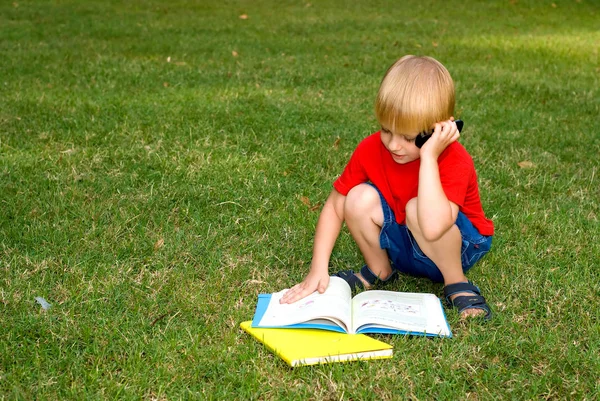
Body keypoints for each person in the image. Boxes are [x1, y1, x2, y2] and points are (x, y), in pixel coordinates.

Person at [280, 55, 494, 319]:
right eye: (386, 130)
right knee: (356, 197)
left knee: (418, 208)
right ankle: (380, 269)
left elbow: (433, 225)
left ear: (439, 130)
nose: (393, 145)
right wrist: (318, 268)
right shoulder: (371, 149)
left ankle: (456, 283)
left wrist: (429, 157)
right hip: (409, 238)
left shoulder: (454, 159)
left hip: (459, 246)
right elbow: (336, 206)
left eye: (407, 137)